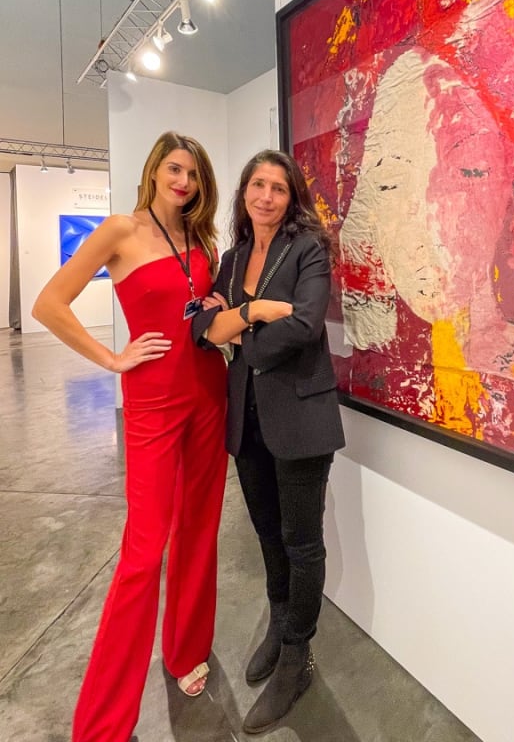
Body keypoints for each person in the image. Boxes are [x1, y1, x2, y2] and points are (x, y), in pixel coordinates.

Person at [32, 131, 229, 742]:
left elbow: (199, 310)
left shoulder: (201, 239)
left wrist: (217, 304)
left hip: (207, 395)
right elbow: (48, 304)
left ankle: (185, 650)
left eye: (193, 174)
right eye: (175, 169)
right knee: (143, 554)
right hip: (151, 405)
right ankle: (103, 721)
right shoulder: (120, 230)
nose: (183, 182)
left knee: (199, 528)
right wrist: (112, 358)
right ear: (154, 170)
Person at [192, 149, 345, 735]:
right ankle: (281, 624)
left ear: (291, 197)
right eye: (257, 185)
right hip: (248, 421)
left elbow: (306, 325)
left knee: (302, 544)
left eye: (278, 188)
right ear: (244, 193)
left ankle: (297, 657)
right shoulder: (230, 261)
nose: (266, 196)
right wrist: (252, 312)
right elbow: (203, 328)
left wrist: (243, 337)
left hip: (301, 418)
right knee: (265, 532)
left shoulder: (308, 248)